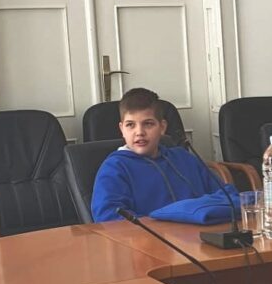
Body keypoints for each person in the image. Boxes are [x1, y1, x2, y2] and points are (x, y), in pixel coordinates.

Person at [91, 87, 235, 224]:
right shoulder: (115, 168)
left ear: (162, 127)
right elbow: (109, 217)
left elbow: (227, 195)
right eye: (130, 125)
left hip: (201, 234)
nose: (139, 132)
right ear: (122, 129)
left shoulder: (183, 157)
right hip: (149, 239)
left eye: (148, 124)